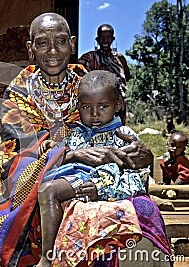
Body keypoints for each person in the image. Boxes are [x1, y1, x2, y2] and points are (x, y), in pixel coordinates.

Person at [0, 13, 171, 267]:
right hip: (44, 189)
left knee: (145, 212)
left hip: (105, 180)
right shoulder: (19, 94)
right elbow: (12, 162)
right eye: (42, 43)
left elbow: (115, 136)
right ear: (31, 50)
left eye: (61, 41)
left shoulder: (89, 83)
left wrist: (140, 155)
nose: (53, 51)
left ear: (73, 44)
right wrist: (69, 154)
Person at [36, 70, 149, 267]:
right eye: (87, 107)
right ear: (78, 106)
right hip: (73, 180)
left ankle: (47, 259)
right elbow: (65, 154)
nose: (94, 114)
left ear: (118, 105)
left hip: (100, 184)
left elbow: (138, 179)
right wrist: (53, 150)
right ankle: (48, 257)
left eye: (103, 106)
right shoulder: (76, 133)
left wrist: (102, 189)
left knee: (49, 191)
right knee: (45, 189)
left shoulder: (124, 136)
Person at [77, 24, 130, 124]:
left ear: (113, 39)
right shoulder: (89, 57)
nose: (105, 40)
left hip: (117, 101)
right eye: (102, 37)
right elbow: (77, 70)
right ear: (97, 39)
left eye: (108, 37)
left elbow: (126, 77)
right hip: (96, 101)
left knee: (117, 129)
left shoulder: (119, 58)